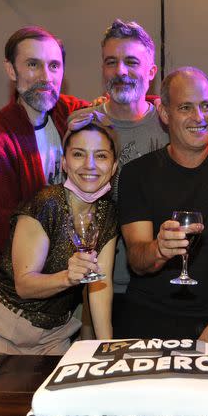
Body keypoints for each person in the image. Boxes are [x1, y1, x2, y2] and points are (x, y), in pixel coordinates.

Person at [116, 67, 208, 342]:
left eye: (206, 106)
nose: (199, 117)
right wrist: (158, 249)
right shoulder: (136, 173)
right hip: (147, 317)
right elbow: (137, 259)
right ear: (165, 114)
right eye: (186, 107)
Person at [0, 119, 118, 354]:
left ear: (114, 166)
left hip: (54, 334)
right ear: (64, 163)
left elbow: (99, 287)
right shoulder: (46, 203)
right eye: (78, 155)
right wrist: (69, 278)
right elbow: (24, 285)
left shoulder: (108, 214)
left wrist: (110, 350)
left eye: (101, 156)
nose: (90, 165)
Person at [70, 19, 169, 331]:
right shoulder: (80, 124)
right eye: (111, 62)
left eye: (131, 62)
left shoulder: (170, 127)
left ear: (151, 72)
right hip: (90, 287)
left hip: (157, 286)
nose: (121, 71)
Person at [0, 26, 90, 261]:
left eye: (54, 66)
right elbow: (5, 228)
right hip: (28, 274)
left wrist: (156, 103)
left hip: (72, 265)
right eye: (32, 64)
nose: (46, 77)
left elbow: (117, 109)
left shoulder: (66, 111)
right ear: (11, 70)